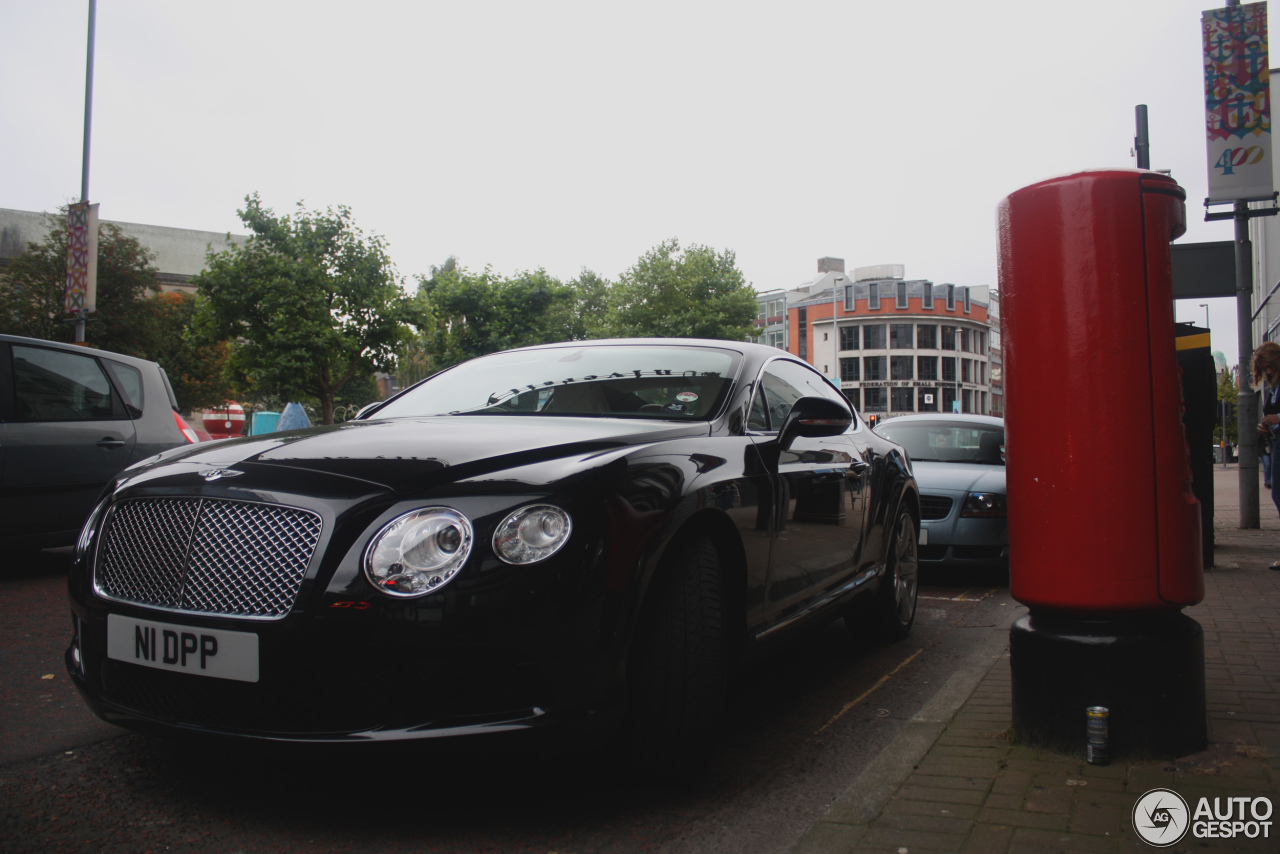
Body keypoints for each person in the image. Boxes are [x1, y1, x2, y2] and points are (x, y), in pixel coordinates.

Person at [1252, 341, 1280, 569]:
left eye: (1270, 367)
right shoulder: (1274, 387)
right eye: (1264, 369)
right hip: (1277, 443)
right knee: (1278, 495)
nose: (1268, 372)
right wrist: (1266, 426)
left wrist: (1278, 419)